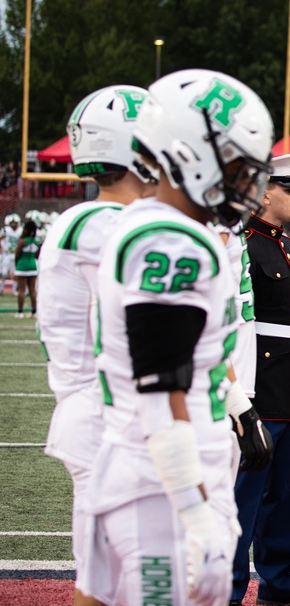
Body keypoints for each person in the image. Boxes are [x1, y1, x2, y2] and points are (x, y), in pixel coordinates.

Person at [81, 68, 274, 606]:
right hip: (163, 478)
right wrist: (192, 511)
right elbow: (162, 389)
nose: (247, 183)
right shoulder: (172, 240)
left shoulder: (153, 223)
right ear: (193, 153)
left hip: (146, 464)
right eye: (238, 167)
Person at [36, 84, 156, 606]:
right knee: (118, 579)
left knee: (110, 574)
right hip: (108, 417)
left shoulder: (83, 219)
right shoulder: (107, 227)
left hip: (96, 411)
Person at [231, 152, 290, 606]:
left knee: (287, 491)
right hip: (258, 382)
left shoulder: (288, 246)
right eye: (288, 189)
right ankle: (228, 588)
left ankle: (277, 581)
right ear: (264, 192)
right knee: (245, 495)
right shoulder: (242, 246)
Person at [13, 218, 41, 317]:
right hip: (33, 266)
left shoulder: (22, 241)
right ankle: (35, 312)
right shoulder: (36, 241)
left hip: (22, 266)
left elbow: (17, 255)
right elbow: (36, 254)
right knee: (33, 291)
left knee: (21, 290)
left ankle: (20, 312)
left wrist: (16, 265)